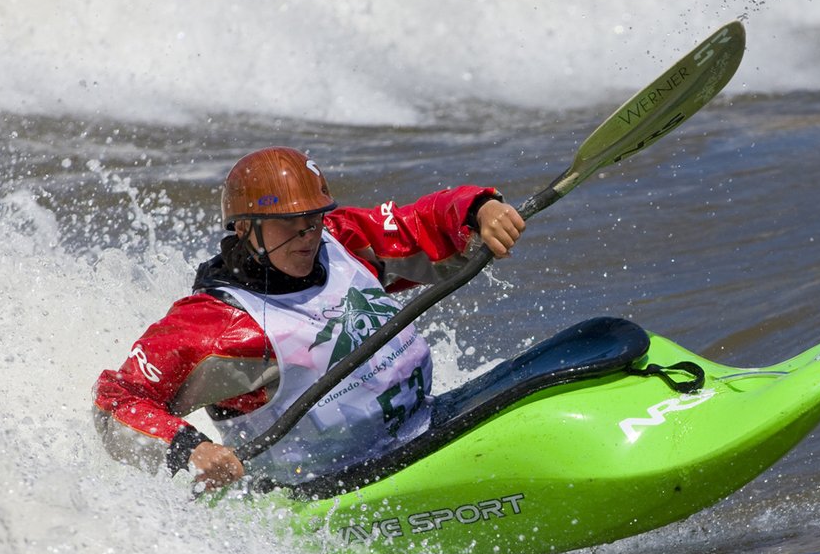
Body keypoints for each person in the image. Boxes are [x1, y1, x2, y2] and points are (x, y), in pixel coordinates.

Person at [93, 147, 526, 491]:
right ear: (245, 229)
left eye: (313, 220)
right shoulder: (213, 325)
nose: (308, 236)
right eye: (289, 226)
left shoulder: (341, 240)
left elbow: (421, 223)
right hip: (331, 493)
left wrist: (479, 209)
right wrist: (190, 447)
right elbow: (116, 399)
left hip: (425, 429)